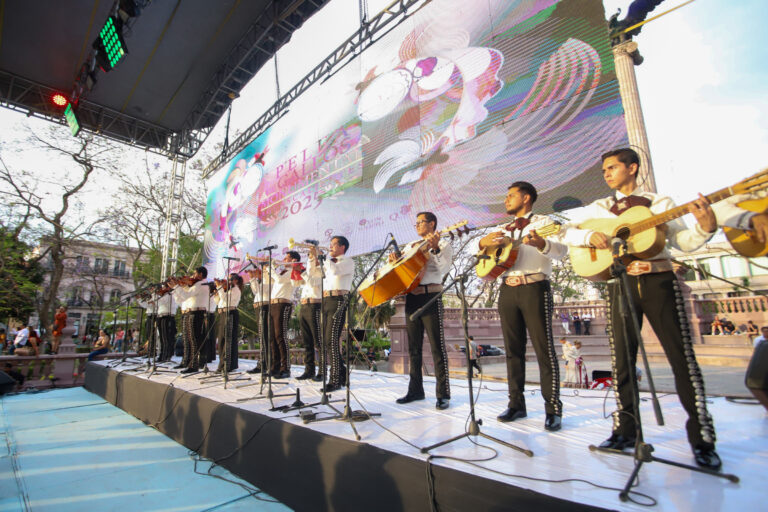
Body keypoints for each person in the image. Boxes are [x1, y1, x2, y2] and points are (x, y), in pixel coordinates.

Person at [560, 148, 721, 469]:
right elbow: (566, 231)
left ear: (632, 168)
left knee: (682, 359)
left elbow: (682, 241)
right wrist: (590, 235)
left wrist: (705, 227)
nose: (606, 174)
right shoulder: (599, 208)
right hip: (619, 285)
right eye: (604, 169)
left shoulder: (659, 202)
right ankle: (625, 430)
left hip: (658, 282)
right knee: (621, 361)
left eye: (612, 167)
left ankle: (702, 439)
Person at [479, 182, 565, 430]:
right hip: (507, 288)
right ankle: (516, 404)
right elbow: (483, 255)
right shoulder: (501, 229)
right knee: (512, 350)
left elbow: (561, 251)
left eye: (511, 195)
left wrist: (542, 244)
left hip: (534, 287)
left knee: (543, 349)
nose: (506, 200)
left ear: (526, 198)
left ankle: (553, 408)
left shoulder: (544, 222)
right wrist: (483, 242)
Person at [394, 211, 453, 410]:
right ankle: (415, 390)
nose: (418, 225)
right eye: (416, 223)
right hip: (412, 297)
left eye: (421, 222)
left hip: (431, 296)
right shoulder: (410, 246)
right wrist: (395, 261)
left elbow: (444, 268)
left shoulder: (443, 244)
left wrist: (435, 249)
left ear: (432, 223)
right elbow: (403, 271)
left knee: (437, 346)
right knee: (413, 348)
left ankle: (443, 394)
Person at [309, 236, 354, 392]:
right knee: (327, 340)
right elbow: (313, 275)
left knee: (332, 339)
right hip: (326, 300)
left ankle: (335, 380)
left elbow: (335, 271)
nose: (330, 247)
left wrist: (323, 257)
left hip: (339, 299)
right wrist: (313, 259)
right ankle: (341, 372)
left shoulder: (347, 261)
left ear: (342, 247)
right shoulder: (328, 263)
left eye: (333, 244)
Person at [264, 251, 302, 379]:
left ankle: (285, 368)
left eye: (287, 258)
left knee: (280, 336)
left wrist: (270, 267)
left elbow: (279, 280)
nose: (284, 260)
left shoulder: (292, 272)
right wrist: (269, 269)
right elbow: (272, 281)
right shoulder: (282, 272)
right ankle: (275, 367)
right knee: (272, 337)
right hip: (273, 304)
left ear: (293, 260)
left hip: (283, 305)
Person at [171, 267, 211, 373]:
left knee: (193, 339)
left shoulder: (201, 284)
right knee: (189, 338)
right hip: (191, 312)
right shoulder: (196, 285)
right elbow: (183, 298)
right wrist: (179, 287)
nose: (192, 276)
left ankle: (194, 365)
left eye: (195, 273)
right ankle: (188, 362)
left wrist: (176, 286)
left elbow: (186, 295)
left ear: (201, 274)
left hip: (197, 313)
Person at [296, 253, 323, 380]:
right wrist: (296, 272)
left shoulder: (323, 271)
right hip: (304, 305)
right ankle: (309, 370)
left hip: (315, 306)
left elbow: (313, 283)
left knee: (318, 341)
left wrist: (302, 271)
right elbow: (296, 283)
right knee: (307, 341)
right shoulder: (308, 272)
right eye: (310, 257)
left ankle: (322, 371)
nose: (311, 259)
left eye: (313, 256)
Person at [215, 273, 242, 372]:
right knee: (221, 340)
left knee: (228, 339)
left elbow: (225, 299)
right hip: (223, 313)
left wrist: (219, 288)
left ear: (236, 281)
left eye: (230, 279)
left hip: (230, 313)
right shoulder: (228, 289)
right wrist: (217, 293)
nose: (228, 281)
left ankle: (227, 365)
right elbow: (219, 302)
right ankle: (222, 363)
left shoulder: (236, 290)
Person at [247, 267, 269, 374]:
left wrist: (254, 278)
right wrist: (252, 279)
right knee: (261, 336)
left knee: (264, 336)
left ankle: (265, 364)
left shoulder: (268, 279)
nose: (256, 273)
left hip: (265, 306)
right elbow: (255, 291)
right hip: (259, 306)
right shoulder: (261, 281)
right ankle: (261, 363)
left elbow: (260, 291)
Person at [155, 288, 177, 362]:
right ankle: (164, 354)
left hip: (166, 316)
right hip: (161, 316)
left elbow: (160, 302)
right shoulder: (164, 295)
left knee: (165, 337)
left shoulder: (169, 295)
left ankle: (165, 354)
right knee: (162, 337)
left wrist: (156, 295)